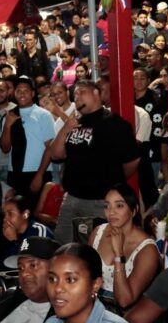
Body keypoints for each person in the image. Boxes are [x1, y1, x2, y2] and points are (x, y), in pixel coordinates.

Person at [50, 80, 140, 244]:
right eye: (75, 94)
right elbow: (56, 155)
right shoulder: (75, 124)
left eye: (81, 92)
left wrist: (112, 181)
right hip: (71, 198)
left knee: (97, 250)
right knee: (62, 246)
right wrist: (65, 129)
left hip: (99, 201)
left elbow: (132, 161)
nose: (76, 96)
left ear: (96, 93)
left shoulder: (116, 125)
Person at [86, 183, 160, 312]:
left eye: (119, 206)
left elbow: (124, 301)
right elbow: (85, 275)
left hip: (124, 316)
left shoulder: (147, 250)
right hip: (91, 306)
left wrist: (119, 255)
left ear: (134, 210)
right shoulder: (98, 232)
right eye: (106, 206)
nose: (111, 212)